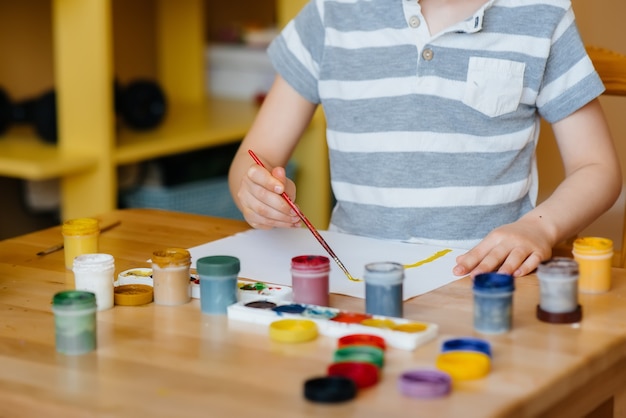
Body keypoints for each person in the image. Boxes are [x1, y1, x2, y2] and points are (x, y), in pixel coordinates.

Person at [228, 0, 622, 279]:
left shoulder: (541, 14)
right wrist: (255, 192)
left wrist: (541, 228)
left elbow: (597, 168)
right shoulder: (330, 14)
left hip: (486, 277)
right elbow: (256, 155)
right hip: (354, 281)